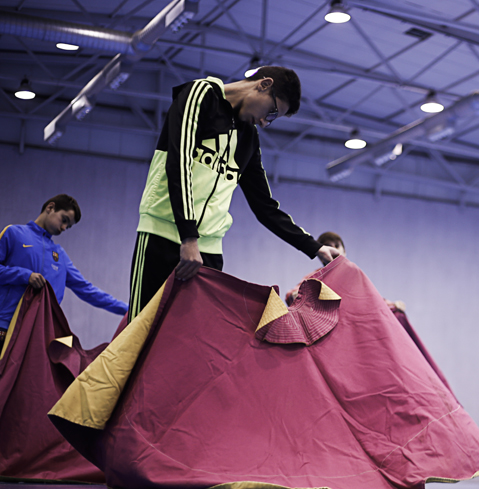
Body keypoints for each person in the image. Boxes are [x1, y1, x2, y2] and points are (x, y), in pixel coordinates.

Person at [128, 66, 341, 321]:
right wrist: (189, 236)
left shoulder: (248, 138)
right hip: (162, 237)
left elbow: (265, 207)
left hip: (207, 254)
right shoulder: (201, 94)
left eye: (272, 119)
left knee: (194, 338)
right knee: (140, 332)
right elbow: (178, 162)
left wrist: (315, 247)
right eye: (271, 112)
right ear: (263, 85)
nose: (265, 122)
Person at [0, 194, 127, 341]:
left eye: (68, 226)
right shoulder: (14, 233)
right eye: (64, 220)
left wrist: (128, 309)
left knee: (71, 348)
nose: (64, 228)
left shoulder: (60, 256)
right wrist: (25, 276)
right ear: (50, 208)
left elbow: (88, 290)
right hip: (6, 326)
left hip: (38, 335)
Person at [286, 232, 405, 312]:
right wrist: (296, 296)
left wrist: (394, 306)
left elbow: (372, 299)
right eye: (328, 246)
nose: (333, 249)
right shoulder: (314, 278)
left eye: (336, 246)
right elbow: (291, 294)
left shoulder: (354, 276)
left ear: (344, 251)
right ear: (321, 254)